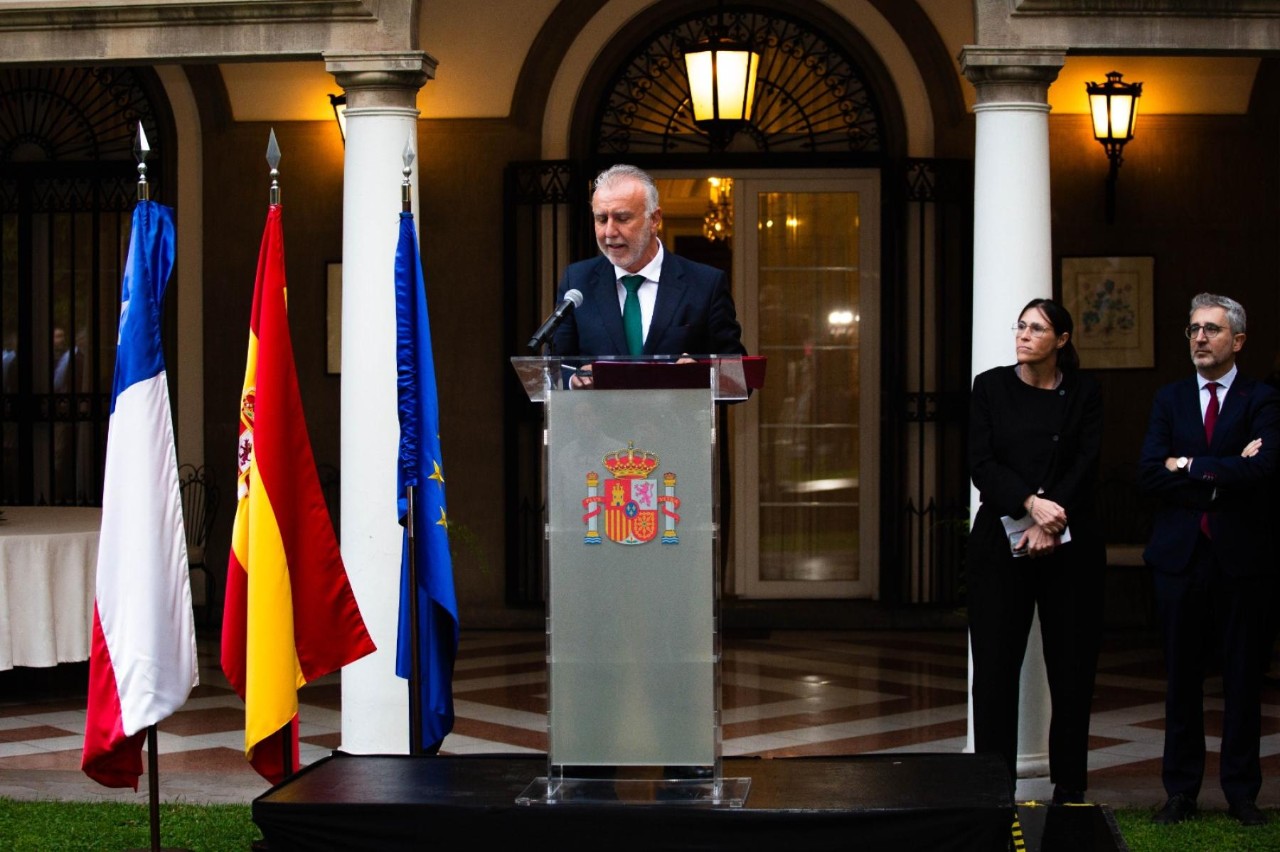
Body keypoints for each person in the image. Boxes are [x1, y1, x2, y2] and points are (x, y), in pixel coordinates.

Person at [1139, 293, 1280, 827]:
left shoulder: (1262, 399)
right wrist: (1221, 469)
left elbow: (1264, 470)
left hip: (1243, 560)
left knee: (1244, 679)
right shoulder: (1169, 399)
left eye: (1212, 330)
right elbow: (1150, 473)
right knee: (1181, 680)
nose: (1199, 337)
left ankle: (1243, 794)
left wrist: (1188, 465)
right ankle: (1180, 792)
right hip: (1180, 559)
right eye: (1194, 328)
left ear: (1237, 340)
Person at [967, 298, 1105, 805]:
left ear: (1062, 341)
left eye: (1037, 329)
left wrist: (1052, 517)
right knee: (996, 667)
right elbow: (982, 462)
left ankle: (1069, 785)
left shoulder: (1084, 391)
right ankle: (993, 785)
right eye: (1020, 326)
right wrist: (1030, 506)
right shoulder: (990, 386)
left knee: (1072, 665)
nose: (1024, 336)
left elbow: (1086, 461)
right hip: (999, 542)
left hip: (1070, 543)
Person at [550, 164, 745, 382]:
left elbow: (739, 379)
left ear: (654, 220)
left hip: (676, 416)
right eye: (601, 219)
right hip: (600, 416)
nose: (609, 232)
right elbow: (556, 367)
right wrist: (572, 381)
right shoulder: (577, 281)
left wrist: (699, 374)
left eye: (622, 218)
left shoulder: (705, 284)